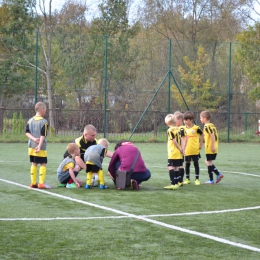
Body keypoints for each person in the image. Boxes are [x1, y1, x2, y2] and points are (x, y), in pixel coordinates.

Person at [25, 102, 51, 189]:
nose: (45, 112)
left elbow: (27, 132)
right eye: (45, 110)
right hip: (41, 147)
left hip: (31, 146)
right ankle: (41, 183)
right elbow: (43, 135)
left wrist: (34, 139)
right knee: (43, 163)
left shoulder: (30, 120)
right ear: (43, 110)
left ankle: (33, 183)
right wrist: (39, 145)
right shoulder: (44, 122)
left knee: (34, 163)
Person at [200, 110, 224, 184]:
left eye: (201, 118)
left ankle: (211, 180)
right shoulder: (212, 125)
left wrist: (212, 146)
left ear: (205, 118)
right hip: (212, 147)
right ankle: (218, 174)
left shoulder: (207, 126)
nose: (200, 119)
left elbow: (212, 135)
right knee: (207, 161)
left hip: (210, 147)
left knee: (208, 162)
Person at [164, 114, 184, 190]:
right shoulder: (178, 129)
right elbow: (181, 139)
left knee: (170, 167)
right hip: (178, 152)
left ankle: (173, 183)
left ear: (166, 123)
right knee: (176, 167)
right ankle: (176, 183)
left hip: (173, 151)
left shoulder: (170, 130)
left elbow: (174, 141)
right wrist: (182, 148)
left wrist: (179, 148)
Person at [183, 111, 203, 185]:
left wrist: (201, 144)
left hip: (195, 150)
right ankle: (187, 179)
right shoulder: (184, 129)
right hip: (187, 150)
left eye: (186, 120)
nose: (184, 121)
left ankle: (197, 179)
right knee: (187, 164)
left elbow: (202, 134)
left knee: (196, 164)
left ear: (191, 120)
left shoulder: (196, 128)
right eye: (184, 120)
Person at [173, 111, 186, 186]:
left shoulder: (181, 128)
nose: (174, 122)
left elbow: (184, 138)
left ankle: (180, 181)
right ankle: (178, 180)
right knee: (178, 165)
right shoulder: (177, 128)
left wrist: (183, 148)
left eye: (175, 120)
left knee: (180, 165)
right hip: (178, 150)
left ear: (180, 119)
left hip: (180, 150)